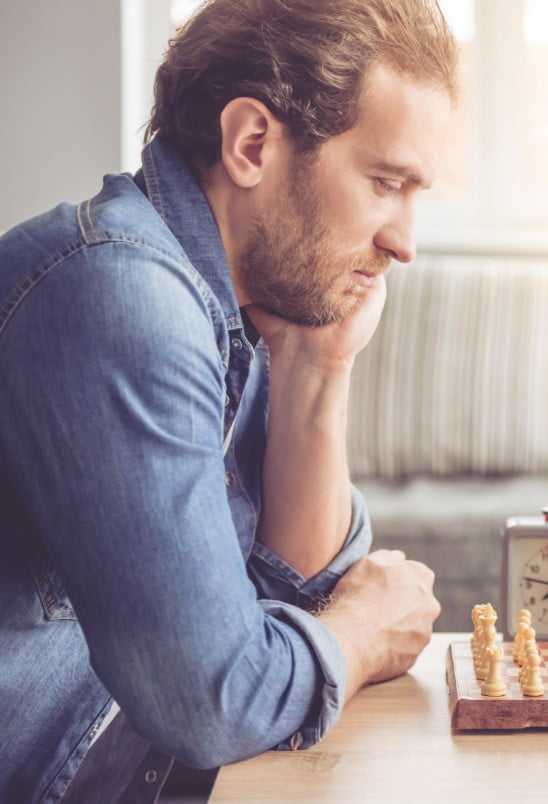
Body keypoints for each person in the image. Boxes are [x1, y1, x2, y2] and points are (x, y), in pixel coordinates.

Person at [0, 1, 457, 800]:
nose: (404, 242)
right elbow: (215, 699)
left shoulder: (237, 309)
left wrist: (319, 368)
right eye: (386, 183)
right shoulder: (121, 296)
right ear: (251, 144)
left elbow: (298, 602)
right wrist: (362, 635)